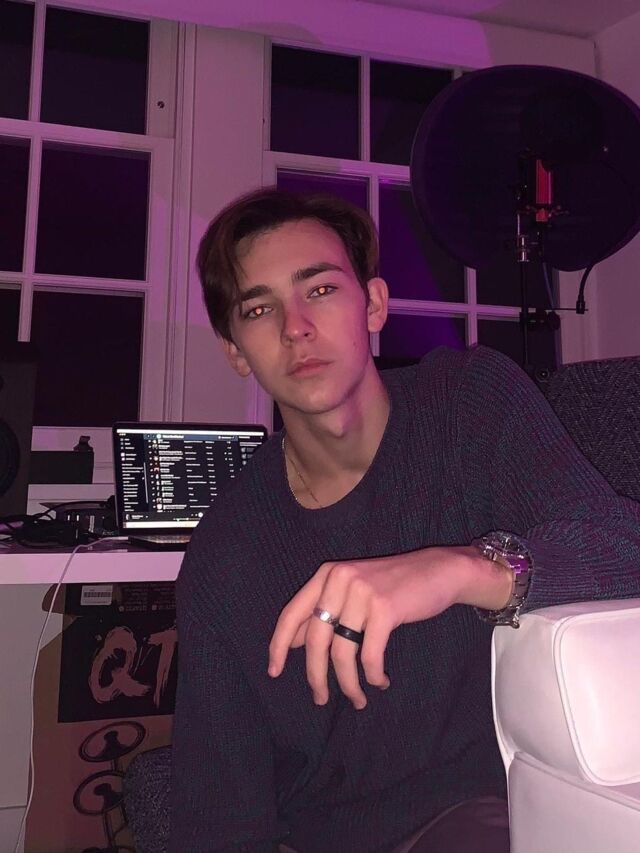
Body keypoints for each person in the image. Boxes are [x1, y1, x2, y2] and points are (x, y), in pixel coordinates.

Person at [170, 188, 640, 853]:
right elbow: (221, 813)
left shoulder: (470, 405)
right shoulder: (225, 553)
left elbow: (624, 547)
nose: (295, 326)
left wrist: (461, 569)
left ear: (374, 304)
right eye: (259, 308)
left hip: (488, 816)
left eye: (321, 290)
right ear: (236, 350)